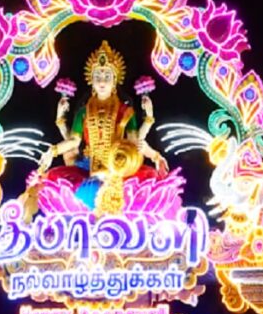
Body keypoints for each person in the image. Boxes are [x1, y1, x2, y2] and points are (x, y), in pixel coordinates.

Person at [41, 41, 169, 213]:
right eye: (98, 77)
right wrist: (53, 151)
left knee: (142, 188)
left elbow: (135, 143)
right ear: (91, 80)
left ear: (114, 81)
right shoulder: (83, 112)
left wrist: (155, 155)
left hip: (119, 169)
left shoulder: (126, 111)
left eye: (107, 77)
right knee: (60, 186)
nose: (102, 81)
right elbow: (73, 141)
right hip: (90, 169)